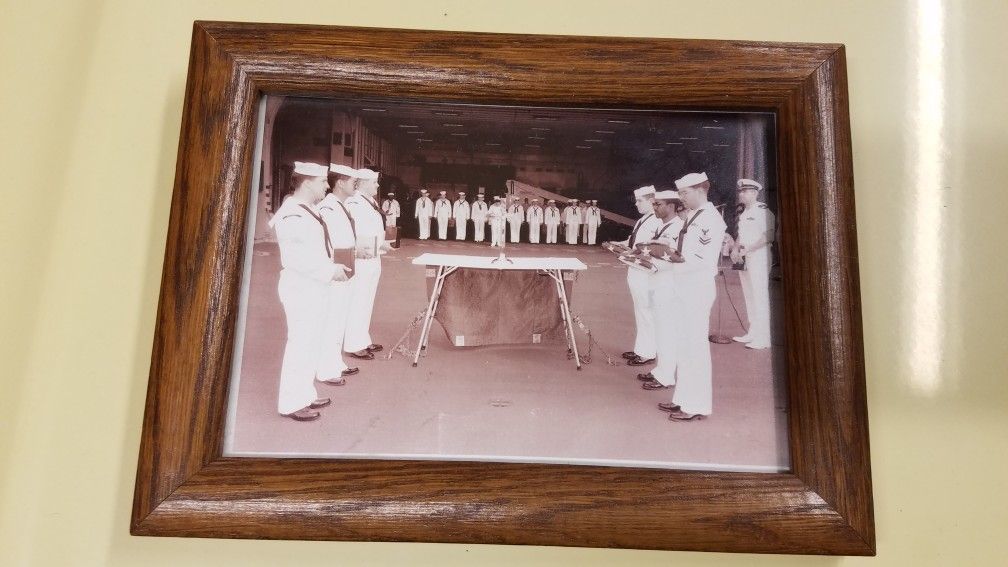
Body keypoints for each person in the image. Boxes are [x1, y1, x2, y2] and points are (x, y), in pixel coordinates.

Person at [268, 161, 350, 422]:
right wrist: (330, 271)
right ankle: (292, 402)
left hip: (314, 286)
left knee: (311, 342)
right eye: (322, 182)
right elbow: (295, 258)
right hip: (302, 288)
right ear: (306, 183)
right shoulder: (292, 214)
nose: (327, 186)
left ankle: (304, 393)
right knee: (301, 344)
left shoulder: (307, 210)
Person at [660, 172, 727, 421]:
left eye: (685, 193)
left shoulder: (711, 219)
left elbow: (701, 260)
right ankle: (682, 398)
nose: (681, 198)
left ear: (700, 190)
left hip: (696, 288)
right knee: (684, 345)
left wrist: (668, 258)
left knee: (695, 347)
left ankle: (697, 404)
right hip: (684, 286)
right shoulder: (694, 217)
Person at [316, 164, 365, 385]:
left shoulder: (341, 206)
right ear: (340, 183)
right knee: (332, 321)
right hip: (335, 273)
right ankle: (326, 369)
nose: (356, 184)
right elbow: (329, 244)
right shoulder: (328, 208)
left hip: (346, 270)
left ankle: (335, 363)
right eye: (352, 181)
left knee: (339, 321)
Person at [636, 190, 686, 391]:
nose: (654, 207)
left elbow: (672, 259)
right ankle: (661, 370)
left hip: (668, 284)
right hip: (657, 282)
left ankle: (666, 376)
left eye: (658, 204)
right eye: (654, 204)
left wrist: (645, 258)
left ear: (672, 206)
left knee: (667, 332)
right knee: (661, 330)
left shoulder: (676, 228)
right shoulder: (663, 226)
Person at [340, 166, 390, 361]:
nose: (377, 185)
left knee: (367, 300)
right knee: (358, 301)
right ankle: (353, 344)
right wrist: (380, 245)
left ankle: (362, 338)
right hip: (362, 259)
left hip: (373, 257)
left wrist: (382, 245)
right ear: (362, 184)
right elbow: (357, 236)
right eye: (374, 182)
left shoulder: (369, 202)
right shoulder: (355, 203)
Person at [610, 186, 662, 367]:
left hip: (645, 271)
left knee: (646, 311)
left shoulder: (656, 220)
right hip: (636, 269)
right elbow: (634, 241)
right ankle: (642, 348)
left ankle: (648, 352)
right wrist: (620, 244)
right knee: (641, 311)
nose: (636, 203)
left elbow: (650, 247)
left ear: (650, 201)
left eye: (640, 200)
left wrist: (631, 250)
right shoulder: (643, 219)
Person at [731, 179, 776, 350]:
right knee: (749, 296)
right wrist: (736, 248)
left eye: (746, 191)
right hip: (745, 257)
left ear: (755, 193)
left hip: (759, 256)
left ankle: (764, 338)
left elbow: (769, 235)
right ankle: (753, 332)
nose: (741, 194)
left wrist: (748, 248)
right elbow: (741, 235)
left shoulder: (762, 211)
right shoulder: (744, 213)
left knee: (760, 297)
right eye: (741, 191)